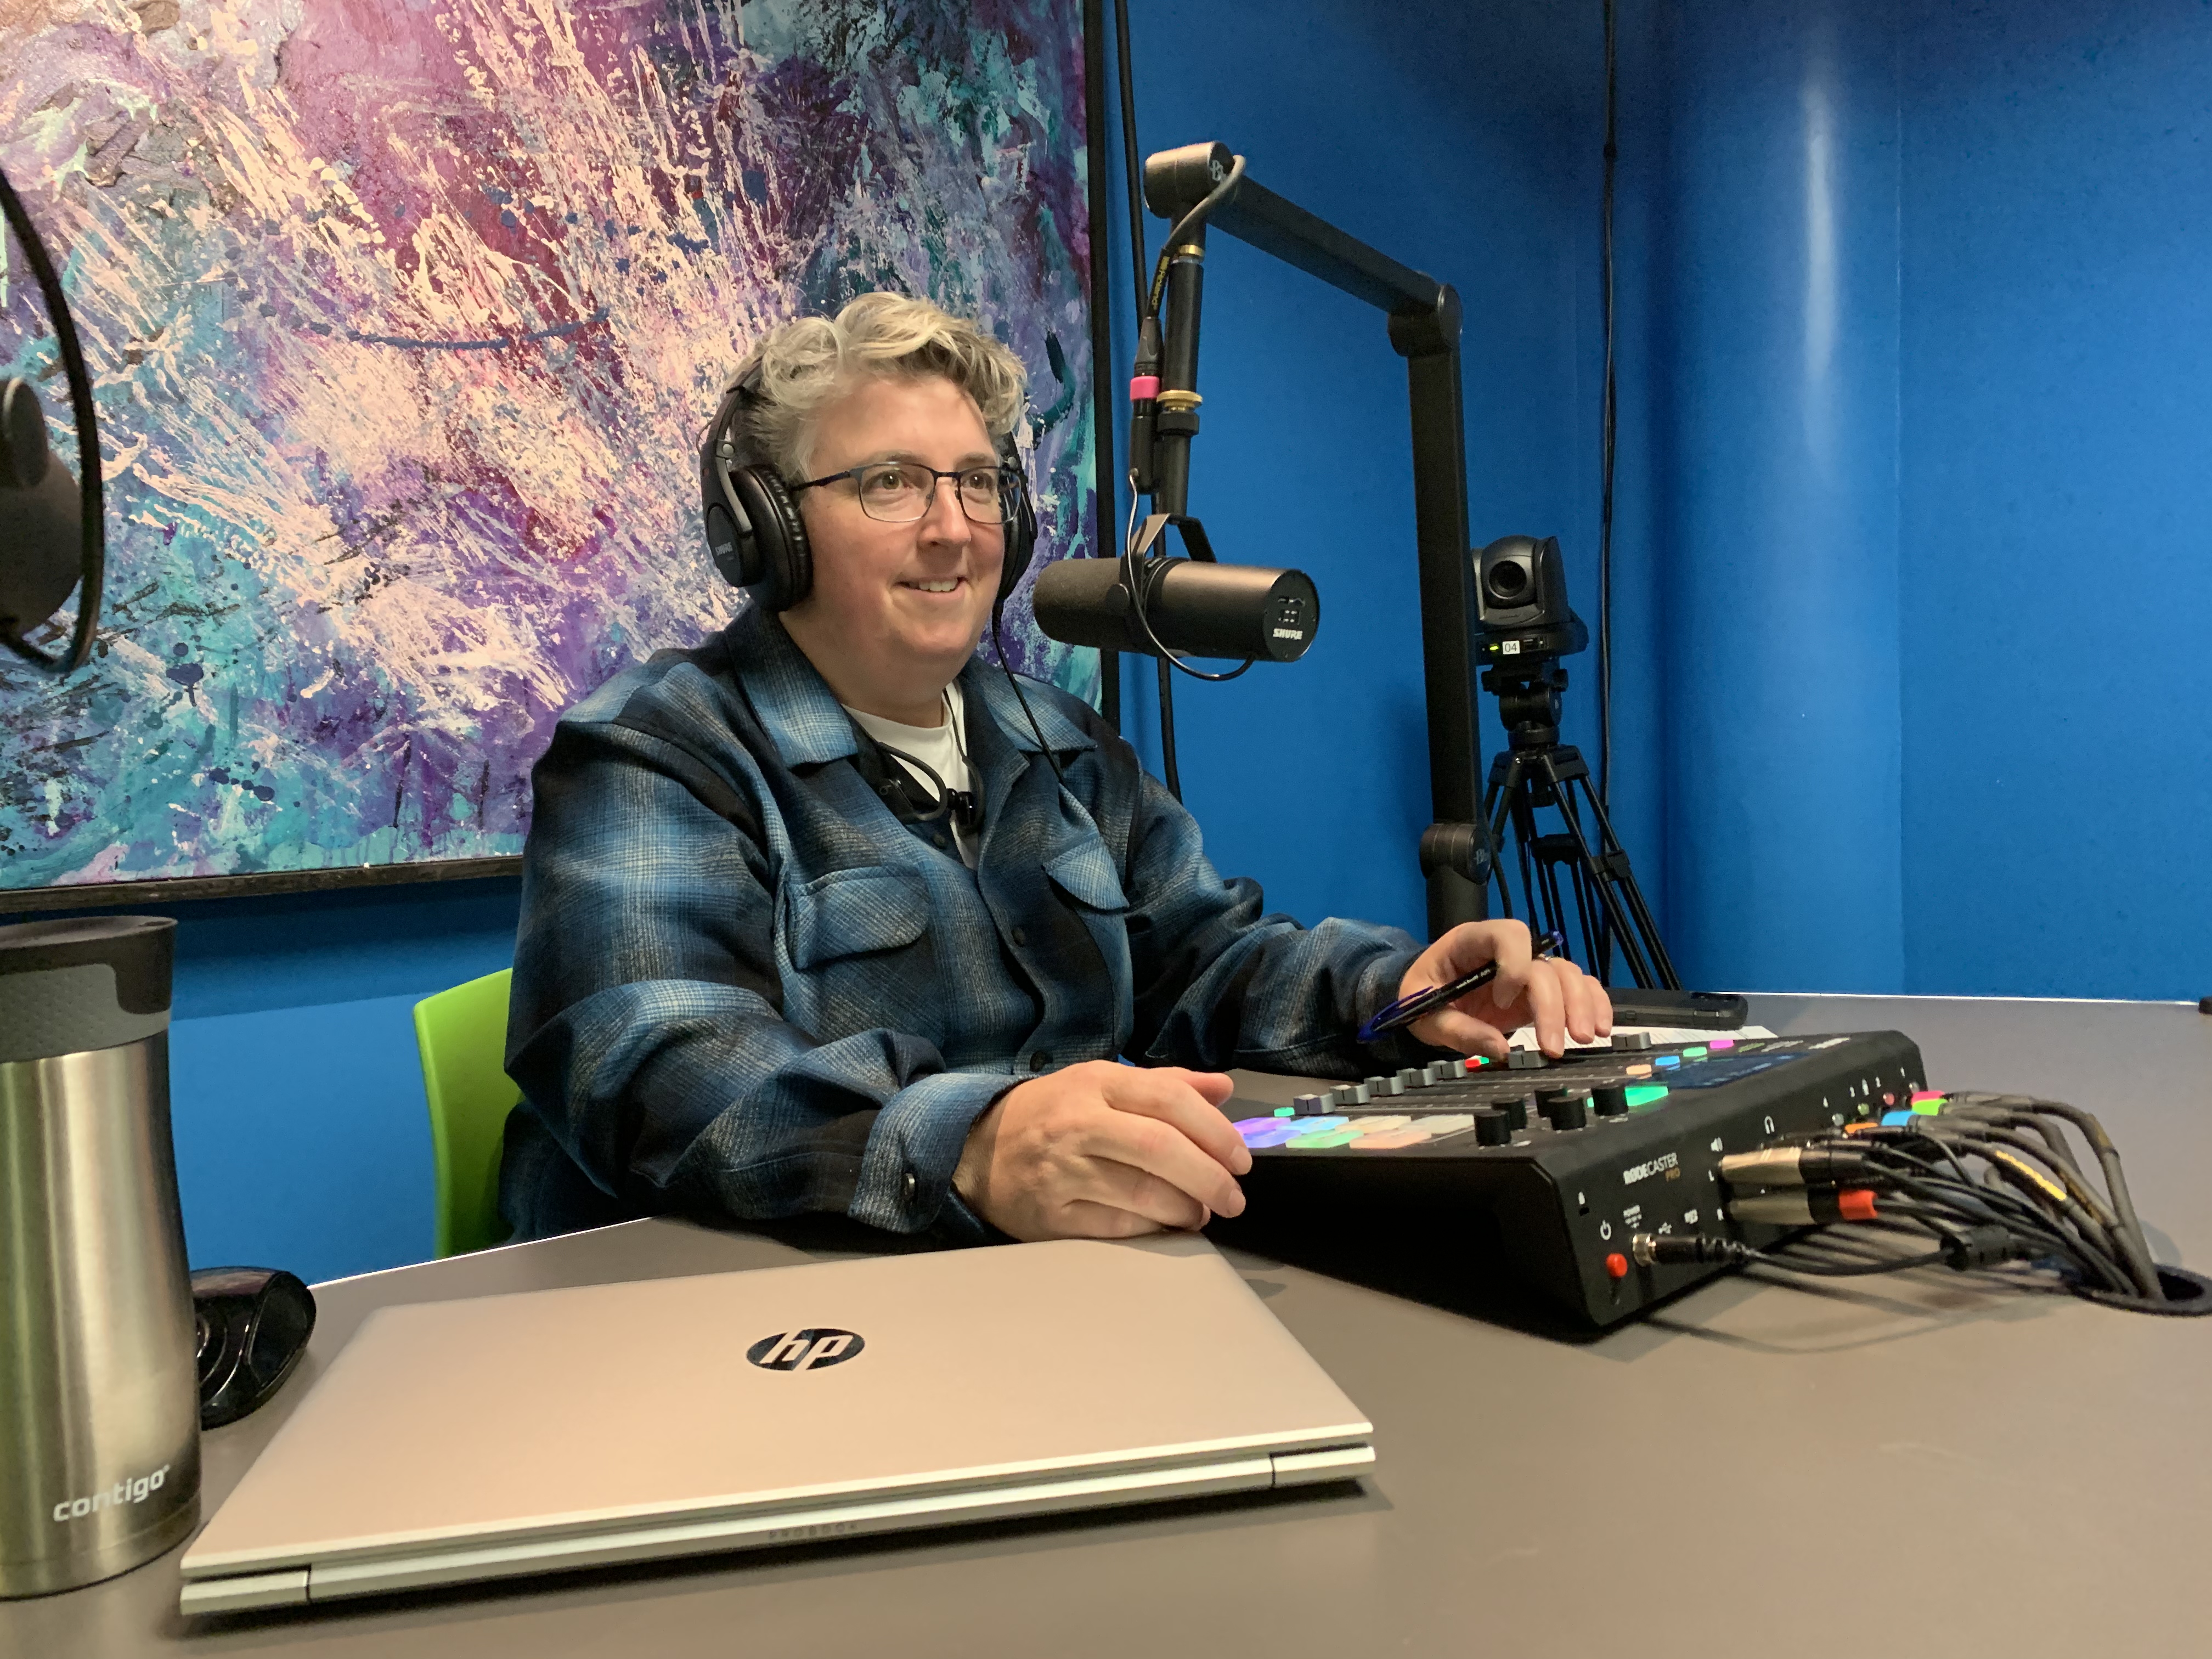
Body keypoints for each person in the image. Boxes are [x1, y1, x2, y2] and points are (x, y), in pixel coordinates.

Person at [499, 292, 1609, 1246]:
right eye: (891, 483)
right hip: (762, 1334)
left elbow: (1203, 962)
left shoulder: (1058, 741)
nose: (954, 530)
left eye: (978, 484)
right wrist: (975, 1144)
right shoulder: (658, 751)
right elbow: (653, 1068)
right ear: (769, 528)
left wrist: (1393, 995)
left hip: (1064, 1288)